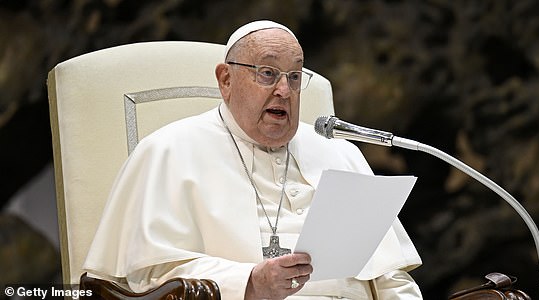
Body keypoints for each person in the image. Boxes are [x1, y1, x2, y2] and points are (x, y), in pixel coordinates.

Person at [83, 20, 423, 299]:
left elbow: (390, 275)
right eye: (267, 73)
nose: (284, 91)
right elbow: (151, 278)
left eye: (294, 77)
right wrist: (250, 282)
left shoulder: (340, 152)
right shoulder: (168, 150)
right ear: (226, 79)